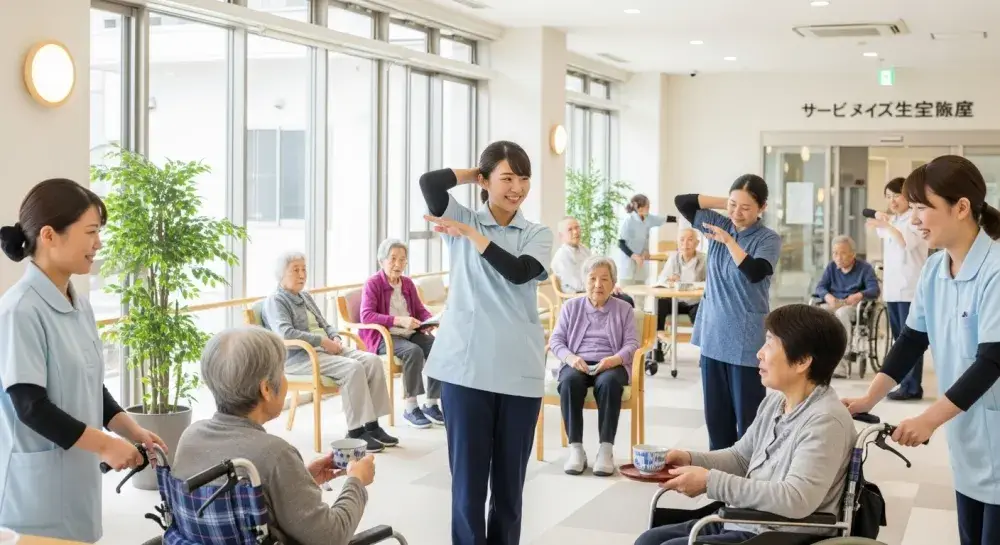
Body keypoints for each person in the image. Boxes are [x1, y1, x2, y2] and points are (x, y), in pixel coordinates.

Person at [843, 155, 1000, 545]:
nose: (912, 219)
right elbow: (913, 338)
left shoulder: (996, 270)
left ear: (961, 207)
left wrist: (928, 419)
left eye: (920, 208)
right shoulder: (934, 269)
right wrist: (869, 398)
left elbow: (992, 361)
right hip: (969, 438)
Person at [0, 179, 165, 543]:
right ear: (49, 235)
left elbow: (91, 382)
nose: (98, 244)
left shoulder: (80, 304)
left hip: (77, 476)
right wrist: (106, 445)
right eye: (90, 232)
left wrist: (129, 429)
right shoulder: (20, 309)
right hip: (39, 491)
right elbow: (31, 407)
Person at [419, 140, 553, 545]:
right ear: (486, 181)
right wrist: (471, 174)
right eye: (507, 177)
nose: (518, 187)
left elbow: (517, 272)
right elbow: (429, 183)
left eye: (524, 178)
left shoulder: (537, 233)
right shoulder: (460, 215)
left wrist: (472, 236)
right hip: (465, 370)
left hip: (519, 374)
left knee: (509, 492)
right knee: (468, 489)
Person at [635, 304, 855, 545]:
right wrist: (688, 458)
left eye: (770, 344)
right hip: (742, 521)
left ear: (802, 361)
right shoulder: (775, 404)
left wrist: (711, 482)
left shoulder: (826, 421)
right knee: (649, 540)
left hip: (778, 535)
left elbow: (796, 498)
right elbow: (741, 458)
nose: (759, 353)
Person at [172, 327, 376, 545]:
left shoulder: (189, 437)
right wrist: (356, 481)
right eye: (282, 370)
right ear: (267, 389)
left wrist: (299, 479)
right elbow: (331, 538)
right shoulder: (276, 455)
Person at [675, 176, 782, 451]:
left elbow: (755, 272)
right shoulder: (722, 221)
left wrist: (728, 241)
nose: (736, 213)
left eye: (746, 208)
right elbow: (683, 202)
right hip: (713, 336)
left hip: (745, 342)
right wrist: (729, 202)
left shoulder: (768, 239)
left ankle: (749, 485)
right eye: (733, 206)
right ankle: (718, 486)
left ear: (762, 208)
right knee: (717, 421)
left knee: (748, 423)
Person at [263, 251, 396, 453]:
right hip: (301, 357)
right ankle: (355, 431)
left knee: (372, 361)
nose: (302, 275)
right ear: (281, 274)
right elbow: (285, 333)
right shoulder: (276, 301)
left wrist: (334, 337)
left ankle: (372, 425)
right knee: (353, 368)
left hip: (325, 349)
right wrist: (322, 341)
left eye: (304, 269)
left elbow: (324, 323)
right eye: (295, 270)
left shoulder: (305, 296)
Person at [548, 256, 639, 477]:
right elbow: (556, 340)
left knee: (608, 383)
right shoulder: (571, 307)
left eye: (605, 279)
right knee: (569, 382)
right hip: (577, 361)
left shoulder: (624, 309)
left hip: (611, 363)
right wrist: (571, 359)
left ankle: (605, 450)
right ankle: (576, 449)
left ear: (613, 282)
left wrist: (614, 359)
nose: (598, 284)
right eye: (593, 279)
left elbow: (632, 344)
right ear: (584, 280)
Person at [360, 238, 443, 429]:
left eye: (402, 259)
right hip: (385, 336)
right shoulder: (373, 283)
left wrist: (431, 320)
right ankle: (410, 407)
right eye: (393, 259)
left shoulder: (407, 283)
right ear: (382, 261)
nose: (398, 264)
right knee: (413, 351)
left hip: (409, 332)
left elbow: (419, 309)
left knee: (439, 346)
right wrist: (398, 320)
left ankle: (431, 403)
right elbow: (366, 316)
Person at [865, 177, 929, 400]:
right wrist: (883, 220)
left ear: (908, 196)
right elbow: (877, 226)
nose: (892, 200)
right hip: (893, 289)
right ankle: (903, 383)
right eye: (888, 196)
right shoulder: (895, 220)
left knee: (910, 339)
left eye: (896, 195)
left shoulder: (914, 220)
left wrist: (887, 225)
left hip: (909, 289)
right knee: (898, 340)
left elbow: (905, 243)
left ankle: (912, 387)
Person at [814, 235, 880, 378]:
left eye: (842, 253)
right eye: (835, 253)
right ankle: (818, 360)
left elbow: (874, 289)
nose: (838, 257)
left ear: (853, 254)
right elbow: (820, 287)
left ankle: (841, 366)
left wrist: (859, 295)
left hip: (852, 308)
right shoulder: (832, 267)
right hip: (834, 303)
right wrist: (828, 296)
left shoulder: (865, 268)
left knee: (842, 314)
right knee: (817, 314)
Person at [647, 227, 706, 364]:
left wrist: (693, 285)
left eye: (690, 240)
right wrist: (669, 280)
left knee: (703, 311)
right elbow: (661, 279)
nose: (686, 243)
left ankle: (704, 353)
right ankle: (657, 347)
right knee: (660, 303)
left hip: (694, 302)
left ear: (697, 243)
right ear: (678, 243)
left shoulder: (704, 259)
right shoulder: (673, 258)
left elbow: (710, 282)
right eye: (682, 240)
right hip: (676, 301)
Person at [551, 216, 634, 307]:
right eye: (570, 229)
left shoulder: (584, 250)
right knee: (625, 302)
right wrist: (605, 287)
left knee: (626, 299)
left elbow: (598, 269)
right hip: (578, 297)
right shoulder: (561, 256)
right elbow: (577, 284)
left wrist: (610, 284)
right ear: (561, 235)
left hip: (593, 290)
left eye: (577, 227)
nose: (575, 232)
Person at [613, 194, 676, 307]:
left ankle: (640, 318)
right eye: (647, 206)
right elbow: (621, 243)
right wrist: (634, 256)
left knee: (641, 294)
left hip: (641, 260)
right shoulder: (628, 220)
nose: (649, 208)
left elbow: (664, 219)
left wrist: (681, 219)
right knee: (625, 294)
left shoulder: (648, 218)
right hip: (628, 260)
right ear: (639, 208)